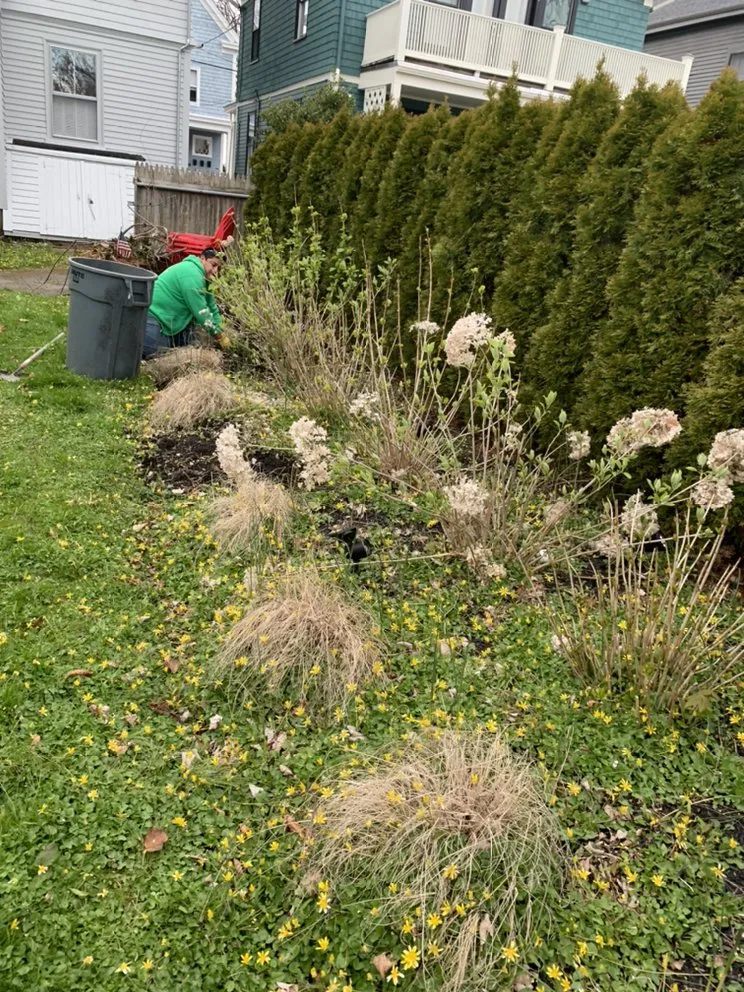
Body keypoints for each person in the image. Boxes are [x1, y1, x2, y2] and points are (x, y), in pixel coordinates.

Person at [142, 248, 224, 358]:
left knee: (191, 344)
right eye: (213, 265)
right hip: (154, 318)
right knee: (155, 354)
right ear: (202, 259)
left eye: (219, 268)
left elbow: (211, 306)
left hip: (172, 321)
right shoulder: (192, 274)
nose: (215, 271)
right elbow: (201, 312)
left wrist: (221, 330)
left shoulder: (204, 278)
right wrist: (218, 336)